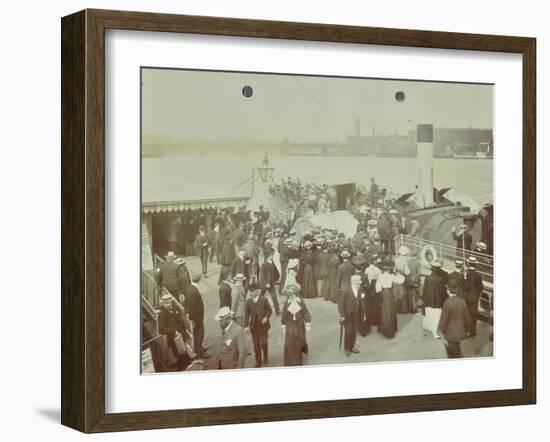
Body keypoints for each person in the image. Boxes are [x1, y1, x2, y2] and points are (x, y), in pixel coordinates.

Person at [438, 276, 470, 358]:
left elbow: (444, 320)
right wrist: (467, 330)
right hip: (460, 333)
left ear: (448, 290)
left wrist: (440, 331)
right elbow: (467, 317)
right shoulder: (462, 301)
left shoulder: (447, 302)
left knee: (451, 354)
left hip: (450, 335)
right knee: (457, 349)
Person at [157, 293, 191, 371]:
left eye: (169, 302)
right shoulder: (162, 314)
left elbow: (181, 321)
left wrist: (185, 330)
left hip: (181, 334)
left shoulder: (176, 309)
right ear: (163, 303)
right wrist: (173, 331)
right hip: (173, 338)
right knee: (178, 353)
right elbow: (161, 330)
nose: (168, 305)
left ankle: (188, 364)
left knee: (184, 349)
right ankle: (181, 368)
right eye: (166, 303)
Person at [281, 284, 312, 366]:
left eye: (292, 294)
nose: (291, 296)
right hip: (290, 325)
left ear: (295, 294)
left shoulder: (300, 301)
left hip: (299, 324)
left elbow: (306, 312)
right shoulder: (286, 303)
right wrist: (283, 325)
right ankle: (289, 361)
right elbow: (284, 315)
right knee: (289, 343)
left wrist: (308, 322)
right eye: (289, 295)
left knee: (299, 342)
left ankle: (298, 360)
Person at [244, 282, 272, 367]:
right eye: (250, 291)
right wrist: (245, 326)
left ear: (257, 291)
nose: (251, 293)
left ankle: (266, 357)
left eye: (252, 291)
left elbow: (269, 310)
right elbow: (246, 314)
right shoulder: (248, 302)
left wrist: (266, 318)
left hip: (263, 326)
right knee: (256, 345)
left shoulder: (264, 300)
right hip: (254, 327)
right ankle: (258, 361)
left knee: (263, 343)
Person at [339, 275, 365, 356]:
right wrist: (342, 315)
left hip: (356, 314)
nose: (359, 285)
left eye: (359, 284)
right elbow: (340, 304)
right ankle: (347, 348)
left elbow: (362, 303)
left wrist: (363, 314)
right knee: (348, 331)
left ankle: (352, 347)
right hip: (347, 315)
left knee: (354, 331)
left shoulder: (359, 290)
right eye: (358, 284)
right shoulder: (346, 290)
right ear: (353, 283)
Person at [422, 261, 447, 339]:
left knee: (429, 313)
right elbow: (442, 292)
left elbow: (424, 290)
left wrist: (424, 299)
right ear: (438, 269)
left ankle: (429, 327)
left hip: (428, 299)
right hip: (437, 301)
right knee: (436, 317)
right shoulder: (440, 280)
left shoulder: (427, 278)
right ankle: (434, 333)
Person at [183, 272, 205, 357]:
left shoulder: (189, 288)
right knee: (199, 334)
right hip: (197, 318)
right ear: (199, 280)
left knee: (198, 334)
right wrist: (192, 319)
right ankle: (199, 352)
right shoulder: (194, 291)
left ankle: (199, 349)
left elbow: (186, 303)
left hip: (196, 317)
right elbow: (191, 306)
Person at [376, 260, 398, 338]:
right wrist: (396, 273)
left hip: (383, 293)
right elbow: (401, 280)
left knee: (384, 311)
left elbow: (378, 288)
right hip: (390, 293)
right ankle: (391, 330)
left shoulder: (381, 276)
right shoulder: (392, 276)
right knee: (391, 310)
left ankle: (385, 330)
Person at [465, 256, 484, 336]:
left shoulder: (465, 273)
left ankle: (466, 329)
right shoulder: (478, 275)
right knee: (473, 314)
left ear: (469, 263)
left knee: (466, 313)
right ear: (475, 265)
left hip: (465, 297)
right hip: (474, 298)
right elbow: (481, 287)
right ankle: (472, 331)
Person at [259, 251, 280, 315]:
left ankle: (277, 310)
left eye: (272, 255)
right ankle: (257, 308)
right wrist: (266, 283)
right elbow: (262, 275)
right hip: (265, 284)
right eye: (271, 255)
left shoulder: (272, 263)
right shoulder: (264, 264)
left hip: (271, 283)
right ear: (268, 256)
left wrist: (275, 279)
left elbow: (276, 272)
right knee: (261, 296)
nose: (272, 256)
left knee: (274, 297)